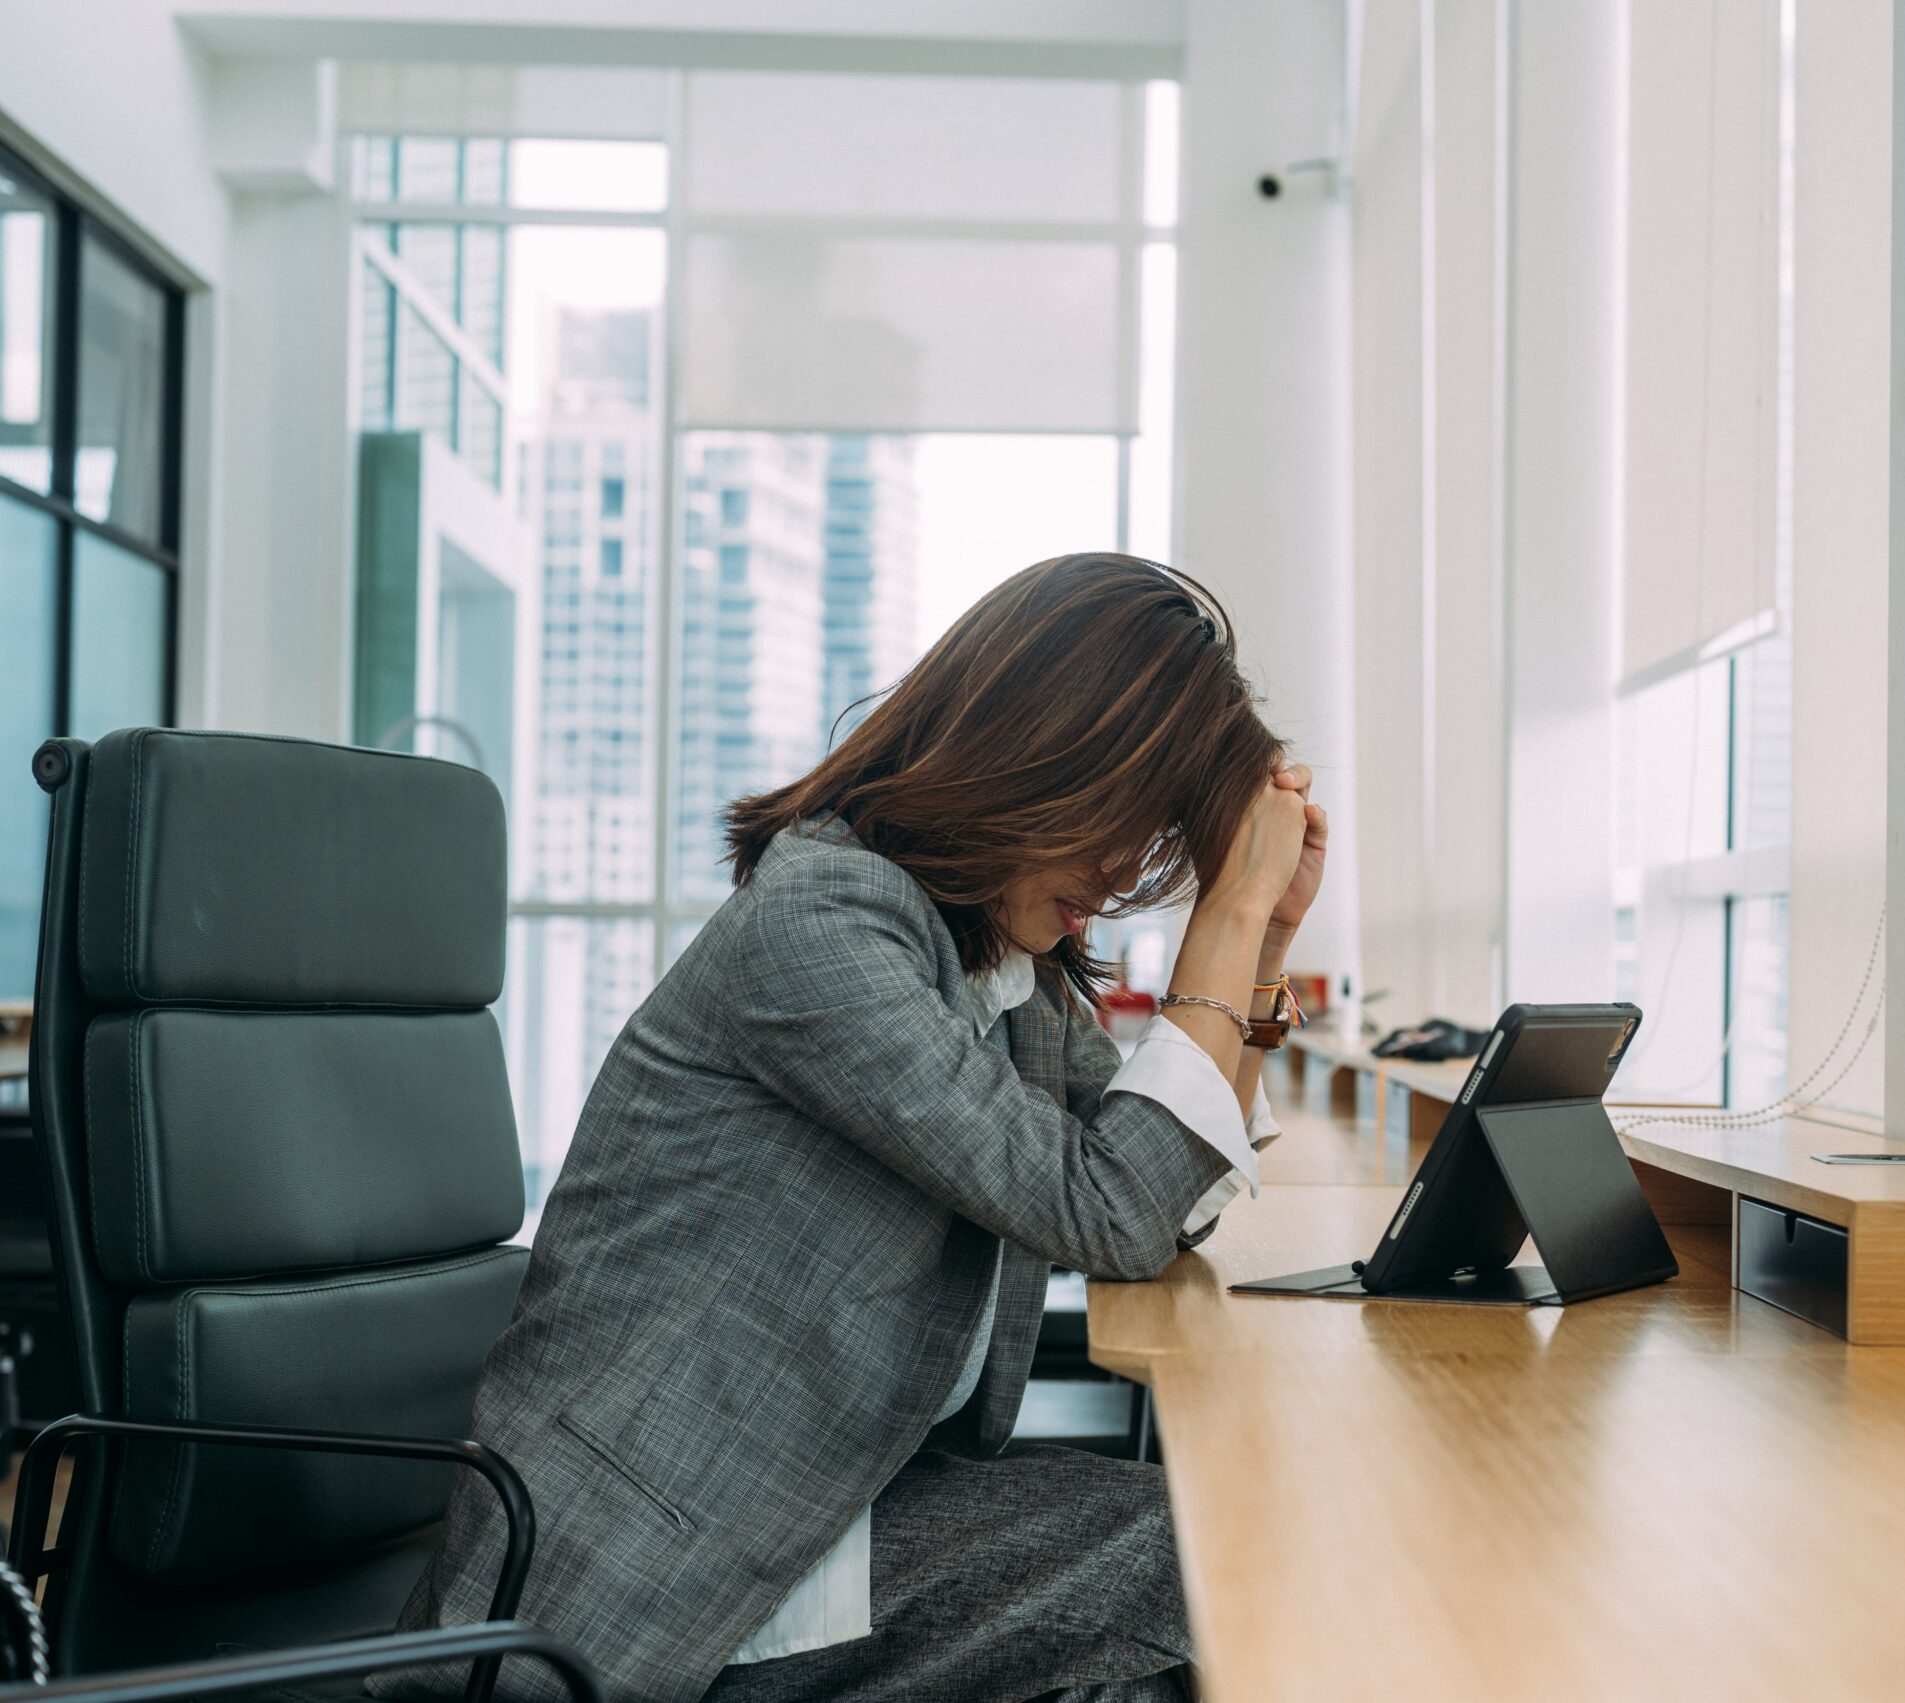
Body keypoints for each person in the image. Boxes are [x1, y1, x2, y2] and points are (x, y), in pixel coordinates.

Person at [383, 554, 1327, 1703]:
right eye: (1115, 819)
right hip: (653, 1575)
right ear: (1032, 756)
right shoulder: (825, 922)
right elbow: (1111, 1207)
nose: (1126, 868)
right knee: (1205, 1548)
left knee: (1175, 1593)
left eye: (1157, 834)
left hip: (829, 1506)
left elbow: (1159, 1191)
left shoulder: (999, 965)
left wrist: (1264, 944)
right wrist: (1227, 910)